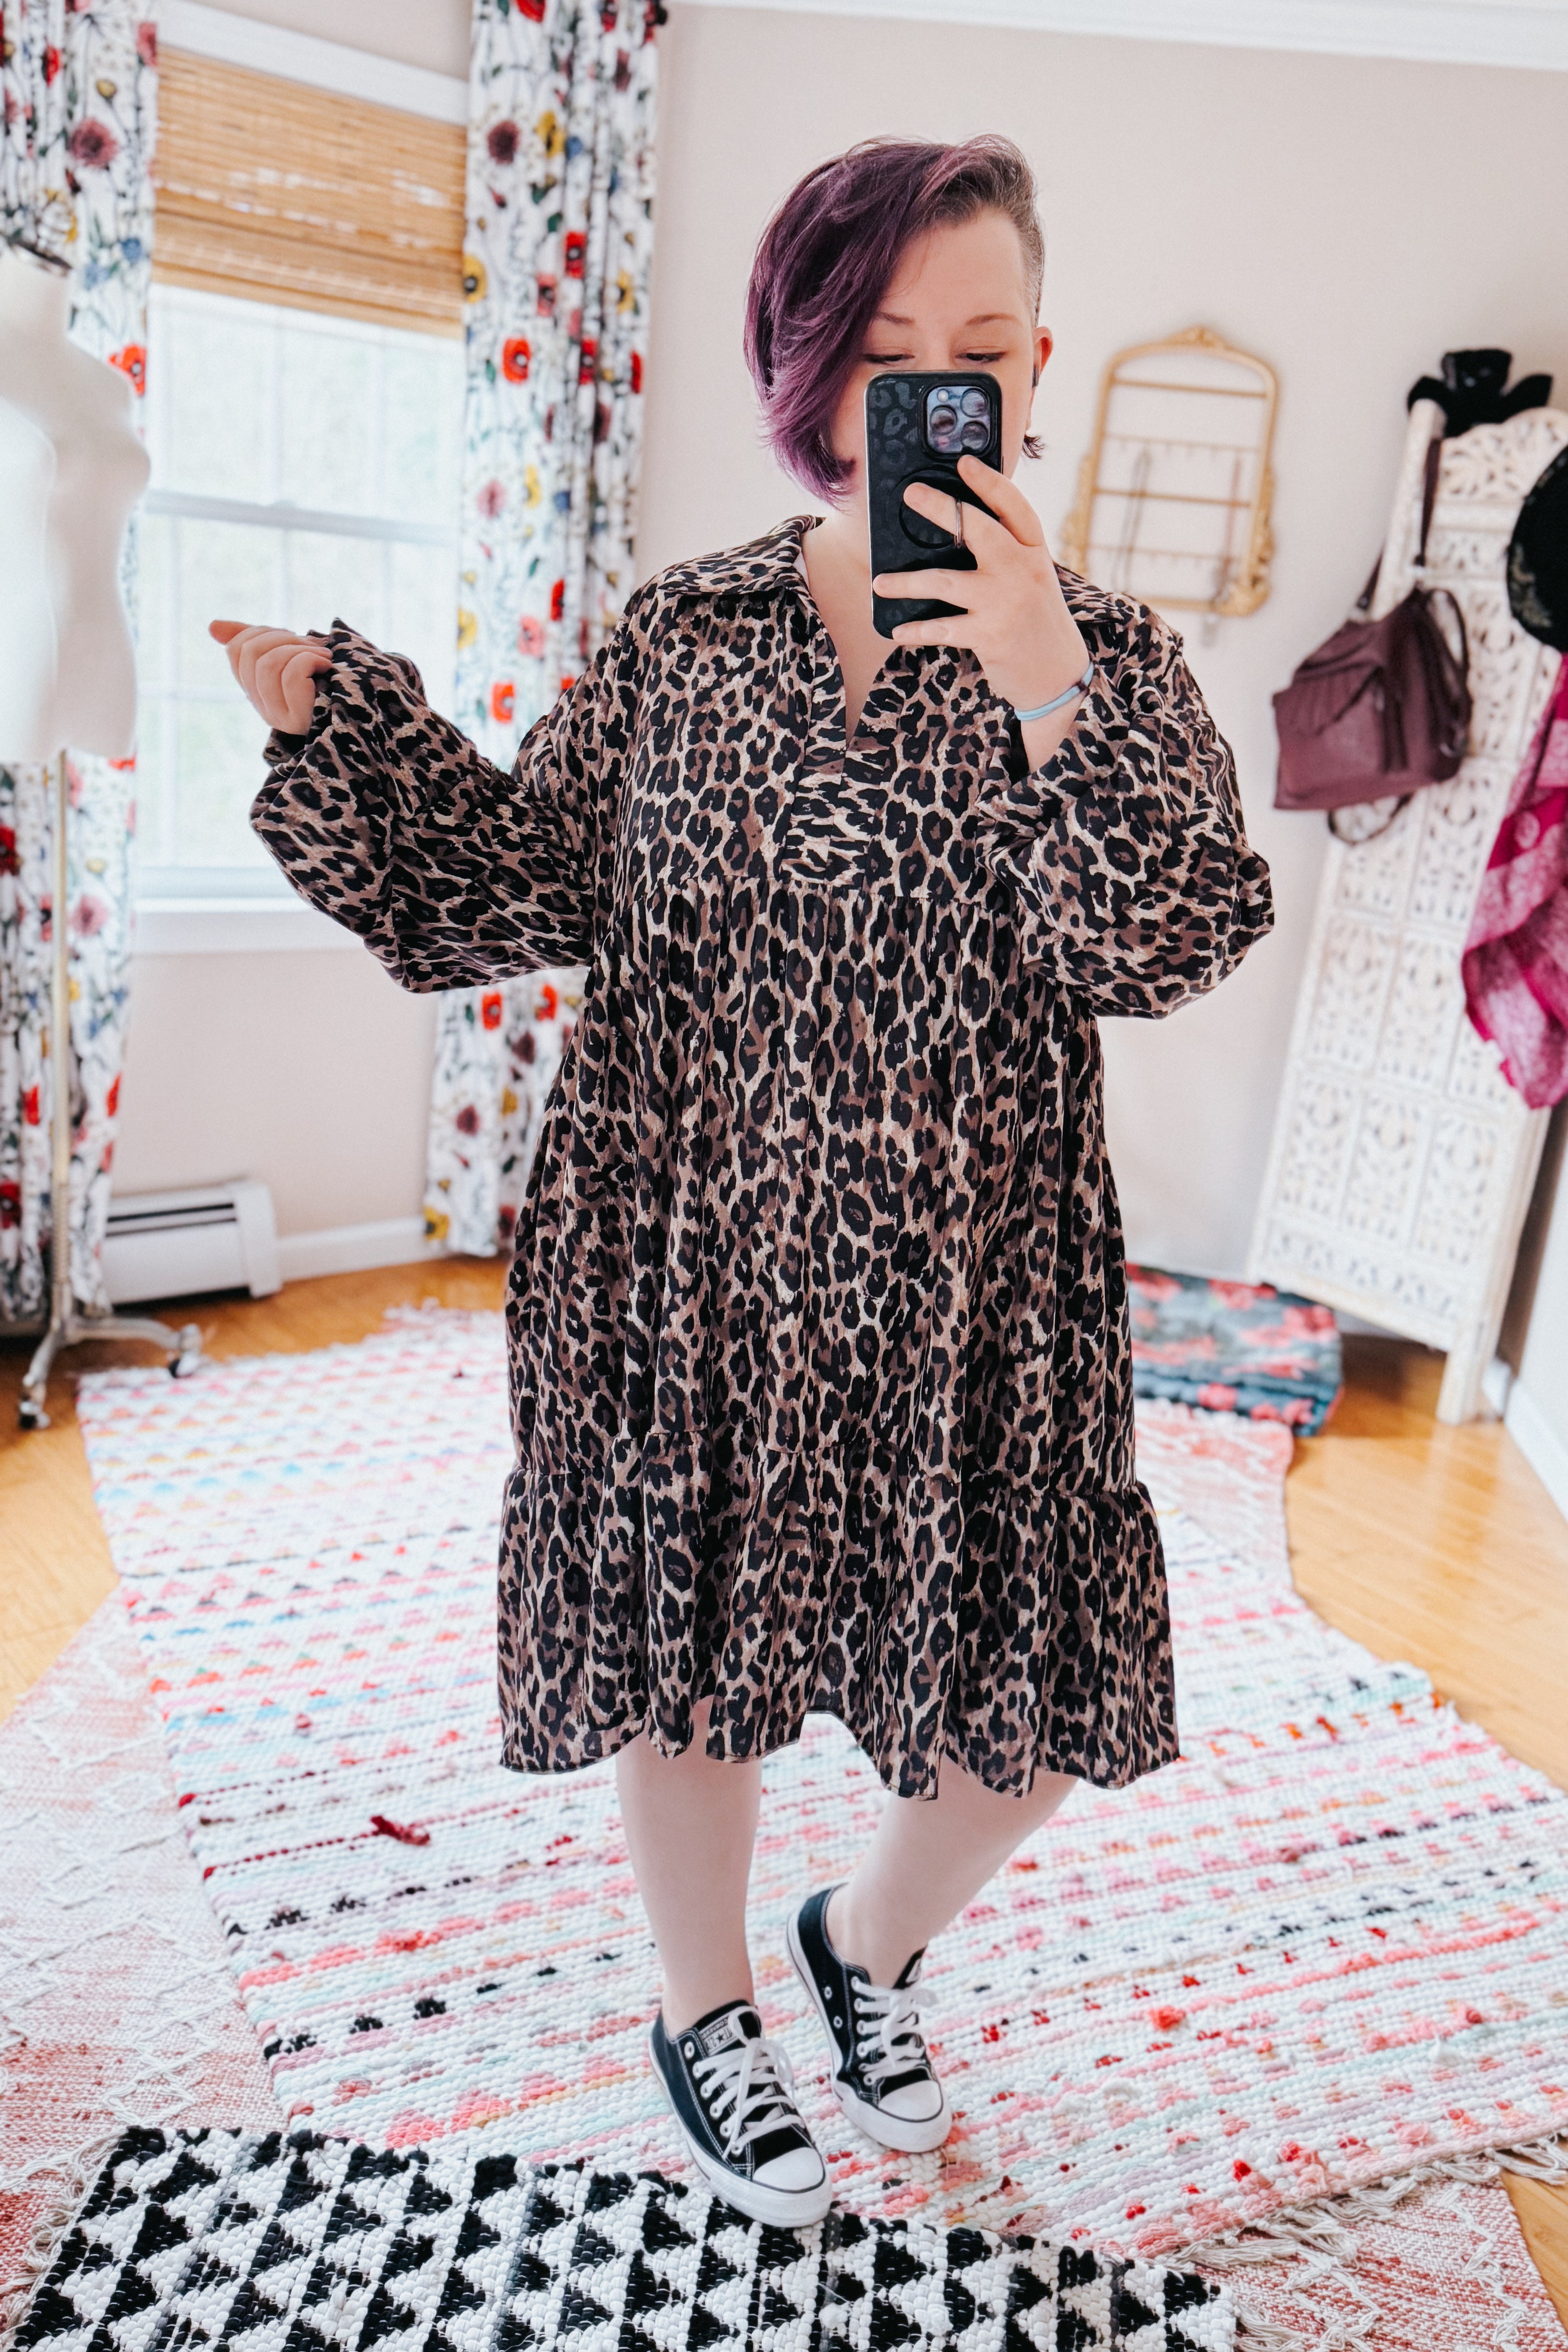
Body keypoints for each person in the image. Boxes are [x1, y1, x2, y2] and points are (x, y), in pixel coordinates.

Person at [213, 135, 1273, 2230]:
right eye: (884, 349)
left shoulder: (1113, 664)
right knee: (688, 1652)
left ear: (1035, 369)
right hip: (682, 1258)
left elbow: (1161, 942)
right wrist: (343, 732)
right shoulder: (684, 638)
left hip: (978, 1288)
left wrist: (1045, 673)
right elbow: (509, 887)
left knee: (1031, 1710)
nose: (932, 390)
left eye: (978, 349)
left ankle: (859, 1947)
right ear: (811, 373)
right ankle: (703, 2007)